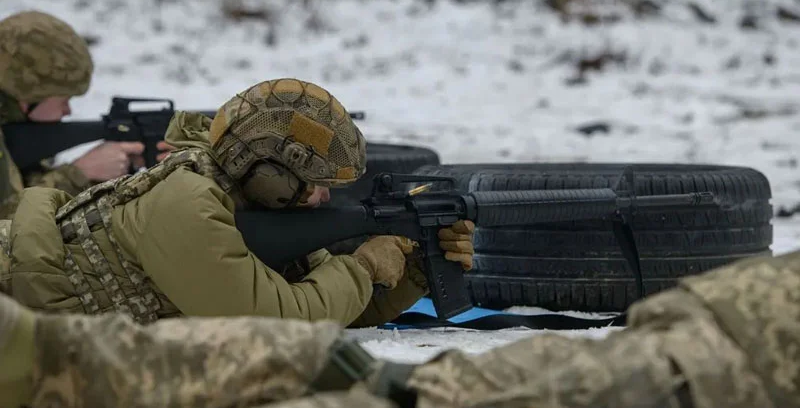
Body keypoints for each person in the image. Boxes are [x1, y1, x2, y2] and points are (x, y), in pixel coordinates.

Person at [0, 247, 794, 408]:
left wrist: (401, 274)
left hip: (740, 336)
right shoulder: (186, 204)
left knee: (359, 375)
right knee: (369, 378)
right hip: (736, 350)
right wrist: (360, 267)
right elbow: (271, 312)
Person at [0, 77, 475, 327]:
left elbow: (331, 309)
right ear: (268, 172)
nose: (326, 196)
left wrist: (411, 267)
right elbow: (282, 323)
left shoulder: (250, 205)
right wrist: (362, 267)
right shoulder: (186, 203)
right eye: (313, 182)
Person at [0, 10, 173, 219]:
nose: (68, 111)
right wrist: (78, 174)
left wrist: (105, 171)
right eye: (63, 100)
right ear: (28, 95)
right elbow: (10, 231)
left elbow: (18, 190)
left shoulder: (13, 124)